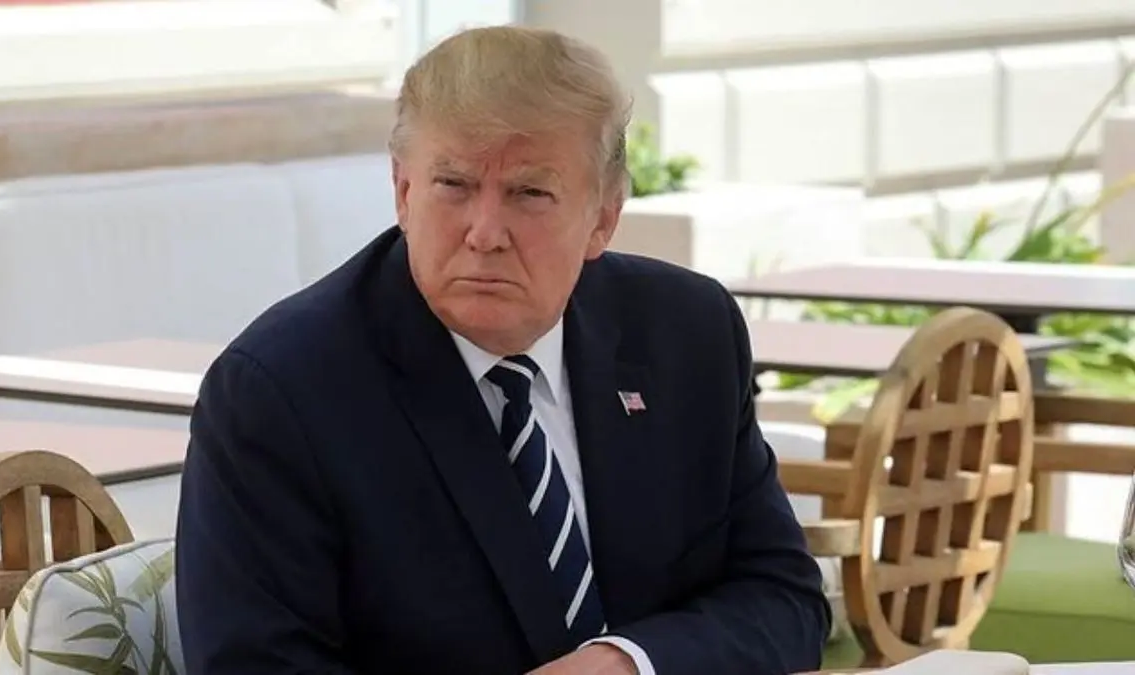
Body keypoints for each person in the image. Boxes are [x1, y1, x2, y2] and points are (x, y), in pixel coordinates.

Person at [175, 25, 830, 675]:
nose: (485, 232)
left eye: (529, 193)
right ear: (403, 192)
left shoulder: (685, 332)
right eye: (453, 185)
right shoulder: (282, 391)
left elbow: (785, 602)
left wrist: (628, 664)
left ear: (603, 217)